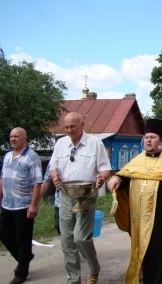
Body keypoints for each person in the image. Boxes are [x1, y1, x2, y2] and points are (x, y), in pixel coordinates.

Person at [107, 119, 162, 284]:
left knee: (159, 254)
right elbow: (126, 176)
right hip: (139, 219)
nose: (148, 140)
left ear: (161, 142)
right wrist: (116, 179)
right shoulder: (137, 161)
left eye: (152, 137)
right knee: (143, 254)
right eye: (146, 137)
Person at [49, 112, 111, 284]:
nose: (69, 130)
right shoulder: (61, 143)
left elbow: (105, 168)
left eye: (72, 126)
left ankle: (94, 268)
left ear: (82, 125)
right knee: (66, 240)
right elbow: (53, 166)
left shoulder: (95, 143)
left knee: (80, 238)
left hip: (87, 194)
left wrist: (101, 177)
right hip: (65, 194)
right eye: (66, 127)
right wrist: (54, 176)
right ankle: (73, 279)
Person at [0, 127, 43, 284]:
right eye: (11, 136)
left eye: (16, 137)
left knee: (23, 239)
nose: (13, 139)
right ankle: (25, 257)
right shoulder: (7, 156)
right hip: (8, 204)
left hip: (23, 205)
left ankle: (21, 273)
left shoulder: (32, 157)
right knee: (3, 234)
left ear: (24, 138)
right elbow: (2, 179)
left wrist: (34, 205)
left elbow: (37, 183)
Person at [40, 163, 60, 235]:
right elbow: (46, 181)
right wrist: (36, 201)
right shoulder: (54, 160)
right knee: (58, 226)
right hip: (60, 203)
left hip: (77, 201)